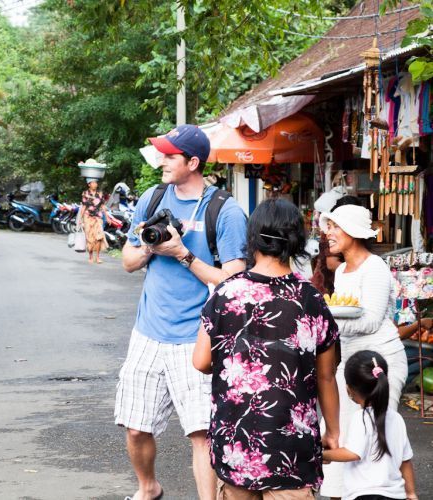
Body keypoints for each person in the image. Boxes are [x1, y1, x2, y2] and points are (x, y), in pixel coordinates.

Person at [115, 124, 248, 500]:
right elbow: (127, 260)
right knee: (136, 427)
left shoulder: (225, 210)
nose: (161, 160)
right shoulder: (153, 198)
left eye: (169, 155)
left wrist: (183, 255)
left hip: (198, 338)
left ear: (193, 161)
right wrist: (148, 249)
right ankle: (149, 488)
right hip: (148, 332)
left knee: (202, 434)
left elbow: (233, 283)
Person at [193, 198, 341, 499]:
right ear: (297, 242)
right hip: (292, 451)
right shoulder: (310, 298)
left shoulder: (226, 293)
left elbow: (200, 361)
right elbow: (326, 376)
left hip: (236, 442)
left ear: (252, 239)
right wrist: (334, 432)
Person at [319, 204, 408, 499]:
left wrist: (328, 322)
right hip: (352, 365)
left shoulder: (375, 268)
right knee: (339, 430)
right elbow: (347, 313)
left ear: (353, 232)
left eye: (334, 227)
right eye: (328, 226)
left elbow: (369, 320)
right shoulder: (343, 269)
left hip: (382, 361)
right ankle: (339, 494)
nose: (328, 233)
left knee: (375, 437)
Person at [323, 351, 418, 500]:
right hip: (395, 495)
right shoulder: (397, 418)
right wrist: (411, 493)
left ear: (349, 389)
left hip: (363, 495)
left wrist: (321, 454)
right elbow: (405, 461)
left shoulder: (360, 418)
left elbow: (352, 453)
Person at [78, 178, 109, 264]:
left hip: (98, 218)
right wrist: (80, 219)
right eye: (93, 183)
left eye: (96, 183)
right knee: (90, 238)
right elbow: (84, 207)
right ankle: (90, 256)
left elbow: (102, 206)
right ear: (89, 184)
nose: (95, 184)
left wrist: (107, 217)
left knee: (99, 237)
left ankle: (98, 257)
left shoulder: (100, 194)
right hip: (87, 218)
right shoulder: (85, 194)